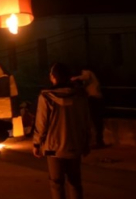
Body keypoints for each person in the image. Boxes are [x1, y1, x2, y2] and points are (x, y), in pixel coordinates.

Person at [33, 63, 92, 199]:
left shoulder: (46, 97)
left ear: (53, 77)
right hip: (75, 145)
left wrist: (37, 143)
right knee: (75, 183)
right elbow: (86, 121)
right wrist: (87, 142)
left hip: (53, 149)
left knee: (56, 183)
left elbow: (41, 123)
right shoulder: (80, 96)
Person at [71, 67, 104, 148]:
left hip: (94, 98)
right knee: (95, 120)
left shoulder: (87, 72)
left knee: (95, 120)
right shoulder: (90, 79)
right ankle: (98, 141)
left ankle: (98, 141)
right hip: (95, 98)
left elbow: (86, 76)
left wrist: (74, 78)